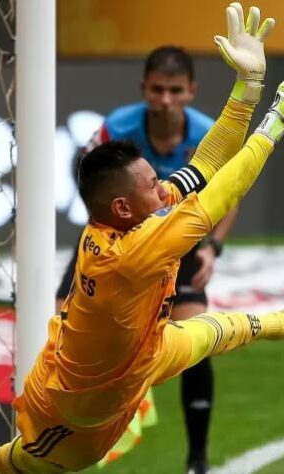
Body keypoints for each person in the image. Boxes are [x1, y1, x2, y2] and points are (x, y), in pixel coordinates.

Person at [0, 4, 284, 473]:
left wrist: (248, 88)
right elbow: (222, 190)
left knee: (227, 330)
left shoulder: (132, 215)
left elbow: (203, 167)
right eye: (154, 184)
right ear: (123, 208)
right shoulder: (133, 250)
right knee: (34, 465)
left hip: (146, 351)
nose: (165, 186)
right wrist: (273, 124)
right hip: (81, 413)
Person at [54, 44, 238, 474]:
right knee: (61, 324)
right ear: (144, 88)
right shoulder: (117, 127)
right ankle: (59, 440)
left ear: (191, 90)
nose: (165, 100)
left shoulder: (207, 136)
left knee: (196, 340)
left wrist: (212, 245)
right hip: (116, 242)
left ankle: (197, 459)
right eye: (157, 89)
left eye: (175, 90)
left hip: (179, 242)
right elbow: (85, 174)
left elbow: (228, 198)